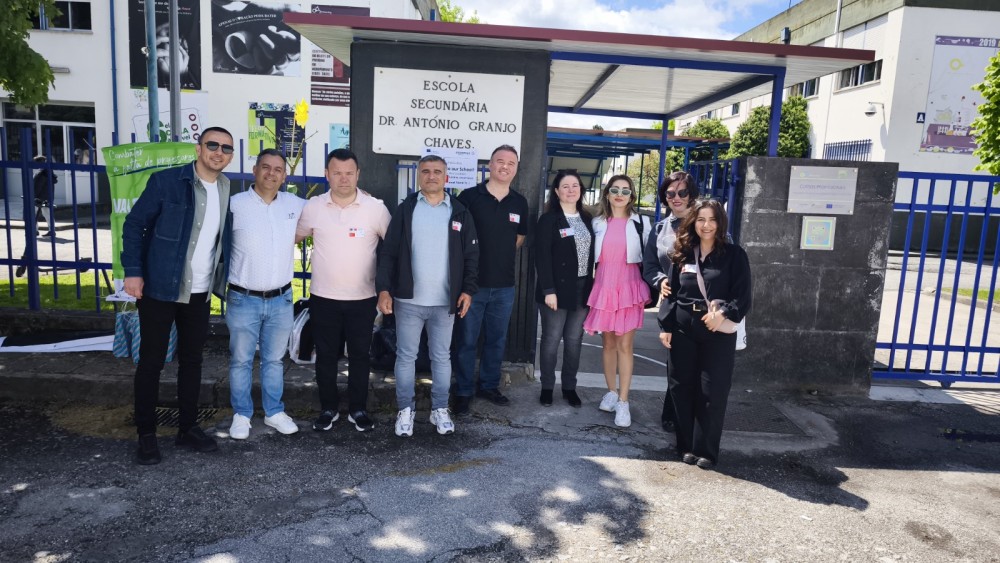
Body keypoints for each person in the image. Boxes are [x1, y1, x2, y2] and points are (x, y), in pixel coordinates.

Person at [121, 126, 235, 465]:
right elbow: (134, 225)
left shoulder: (226, 187)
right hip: (161, 287)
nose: (219, 152)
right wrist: (133, 271)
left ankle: (187, 428)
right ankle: (146, 434)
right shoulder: (167, 181)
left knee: (192, 361)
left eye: (226, 148)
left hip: (200, 292)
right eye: (212, 145)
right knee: (152, 362)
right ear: (198, 149)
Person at [376, 155, 479, 437]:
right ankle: (405, 410)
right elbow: (388, 253)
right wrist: (384, 289)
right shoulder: (406, 209)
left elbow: (471, 256)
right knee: (405, 357)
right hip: (408, 301)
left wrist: (468, 290)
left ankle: (440, 409)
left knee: (442, 358)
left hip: (445, 302)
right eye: (426, 171)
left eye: (437, 172)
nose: (431, 176)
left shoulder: (460, 211)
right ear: (419, 176)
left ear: (446, 177)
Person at [296, 148, 391, 433]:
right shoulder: (313, 207)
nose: (343, 178)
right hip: (323, 297)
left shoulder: (375, 208)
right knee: (325, 356)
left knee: (360, 356)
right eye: (337, 173)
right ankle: (328, 409)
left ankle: (358, 409)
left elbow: (393, 249)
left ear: (358, 174)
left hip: (363, 298)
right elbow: (292, 237)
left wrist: (387, 288)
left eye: (349, 173)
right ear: (327, 174)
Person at [659, 198, 752, 470]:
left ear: (720, 223)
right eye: (701, 219)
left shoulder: (734, 255)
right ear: (693, 222)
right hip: (682, 329)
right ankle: (685, 445)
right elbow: (671, 293)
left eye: (712, 219)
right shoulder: (683, 253)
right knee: (681, 386)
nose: (706, 225)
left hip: (716, 330)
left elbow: (743, 296)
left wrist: (722, 314)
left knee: (713, 390)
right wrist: (666, 327)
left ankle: (706, 450)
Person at [225, 149, 304, 440]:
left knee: (274, 360)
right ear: (255, 170)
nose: (272, 173)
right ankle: (241, 414)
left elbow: (330, 206)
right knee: (241, 360)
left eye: (278, 169)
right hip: (242, 297)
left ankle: (274, 412)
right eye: (266, 167)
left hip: (281, 299)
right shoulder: (235, 204)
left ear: (284, 176)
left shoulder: (295, 204)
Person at [453, 145, 529, 415]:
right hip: (471, 286)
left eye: (511, 163)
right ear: (490, 165)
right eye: (500, 161)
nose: (505, 166)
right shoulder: (469, 197)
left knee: (497, 340)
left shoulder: (519, 202)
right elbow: (458, 238)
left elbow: (518, 238)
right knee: (466, 340)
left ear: (516, 168)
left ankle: (488, 385)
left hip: (504, 286)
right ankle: (463, 390)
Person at [584, 174, 651, 428]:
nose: (620, 194)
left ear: (632, 195)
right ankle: (611, 392)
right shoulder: (597, 222)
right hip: (604, 287)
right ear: (607, 194)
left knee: (625, 345)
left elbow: (653, 257)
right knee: (608, 344)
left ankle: (624, 401)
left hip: (628, 288)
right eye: (615, 190)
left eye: (625, 190)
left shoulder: (641, 223)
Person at [642, 171, 699, 432]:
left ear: (692, 194)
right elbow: (650, 266)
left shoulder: (706, 222)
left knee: (703, 364)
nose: (676, 197)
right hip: (673, 306)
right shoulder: (659, 229)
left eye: (682, 192)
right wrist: (660, 280)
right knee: (676, 365)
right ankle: (673, 413)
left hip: (704, 304)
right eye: (670, 193)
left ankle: (699, 415)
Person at [533, 170, 594, 408]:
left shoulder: (587, 218)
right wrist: (549, 290)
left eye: (575, 186)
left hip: (582, 288)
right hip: (555, 290)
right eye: (565, 186)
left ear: (581, 190)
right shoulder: (548, 220)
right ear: (557, 191)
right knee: (551, 339)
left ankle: (569, 387)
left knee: (574, 340)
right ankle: (547, 387)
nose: (571, 190)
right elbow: (542, 257)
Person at [33, 155, 56, 238]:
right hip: (47, 197)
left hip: (39, 197)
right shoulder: (49, 172)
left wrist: (33, 196)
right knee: (47, 213)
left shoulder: (41, 173)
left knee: (33, 213)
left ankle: (35, 230)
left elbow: (38, 186)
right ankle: (52, 230)